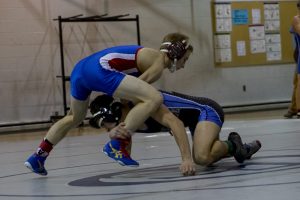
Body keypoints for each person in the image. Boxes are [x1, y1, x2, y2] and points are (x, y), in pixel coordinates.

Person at [24, 33, 195, 176]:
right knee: (154, 98)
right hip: (100, 70)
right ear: (176, 52)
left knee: (74, 117)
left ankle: (38, 156)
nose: (183, 66)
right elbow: (137, 97)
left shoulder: (149, 57)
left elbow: (130, 96)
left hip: (81, 70)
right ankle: (115, 145)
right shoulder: (158, 62)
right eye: (184, 60)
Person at [89, 91, 262, 168]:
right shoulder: (130, 121)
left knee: (201, 158)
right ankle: (241, 148)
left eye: (105, 126)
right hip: (194, 119)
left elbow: (177, 124)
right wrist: (119, 142)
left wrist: (186, 160)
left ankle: (233, 144)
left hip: (205, 110)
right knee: (208, 158)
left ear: (116, 113)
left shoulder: (145, 105)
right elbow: (125, 153)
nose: (106, 131)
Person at [289, 0, 300, 118]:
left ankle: (293, 108)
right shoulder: (296, 19)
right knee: (297, 82)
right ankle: (295, 108)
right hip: (299, 53)